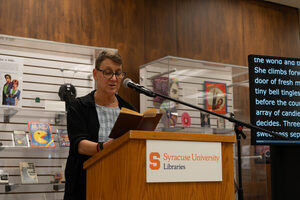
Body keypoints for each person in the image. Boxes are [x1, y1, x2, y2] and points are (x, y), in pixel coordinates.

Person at [63, 50, 136, 200]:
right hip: (86, 185)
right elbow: (79, 145)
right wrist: (106, 147)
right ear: (95, 74)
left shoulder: (129, 110)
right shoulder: (78, 106)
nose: (114, 78)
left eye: (118, 73)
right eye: (108, 72)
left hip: (121, 185)